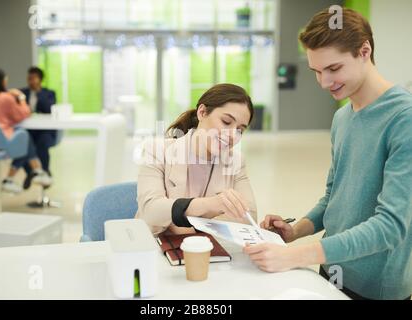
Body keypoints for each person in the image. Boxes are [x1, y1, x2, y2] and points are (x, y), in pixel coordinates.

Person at [243, 8, 412, 300]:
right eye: (317, 72)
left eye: (333, 69)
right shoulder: (342, 118)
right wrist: (295, 232)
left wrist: (297, 256)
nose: (324, 82)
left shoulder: (403, 119)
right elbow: (334, 198)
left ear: (364, 51)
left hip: (375, 288)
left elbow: (390, 227)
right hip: (331, 271)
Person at [135, 83, 257, 236]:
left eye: (240, 130)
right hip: (155, 250)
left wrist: (179, 219)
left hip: (207, 252)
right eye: (226, 122)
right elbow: (150, 212)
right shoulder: (156, 151)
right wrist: (212, 205)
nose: (232, 135)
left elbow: (249, 218)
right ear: (202, 112)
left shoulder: (235, 161)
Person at [0, 67, 52, 193]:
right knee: (23, 137)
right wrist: (21, 98)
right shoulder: (6, 97)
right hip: (1, 143)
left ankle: (15, 178)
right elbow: (24, 113)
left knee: (22, 137)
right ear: (0, 81)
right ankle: (37, 171)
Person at [20, 66, 57, 190]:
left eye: (33, 78)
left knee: (43, 142)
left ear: (40, 79)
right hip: (28, 130)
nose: (30, 81)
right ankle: (31, 172)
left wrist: (38, 93)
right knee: (23, 142)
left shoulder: (49, 93)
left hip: (45, 130)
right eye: (28, 78)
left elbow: (49, 109)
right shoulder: (22, 94)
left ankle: (44, 171)